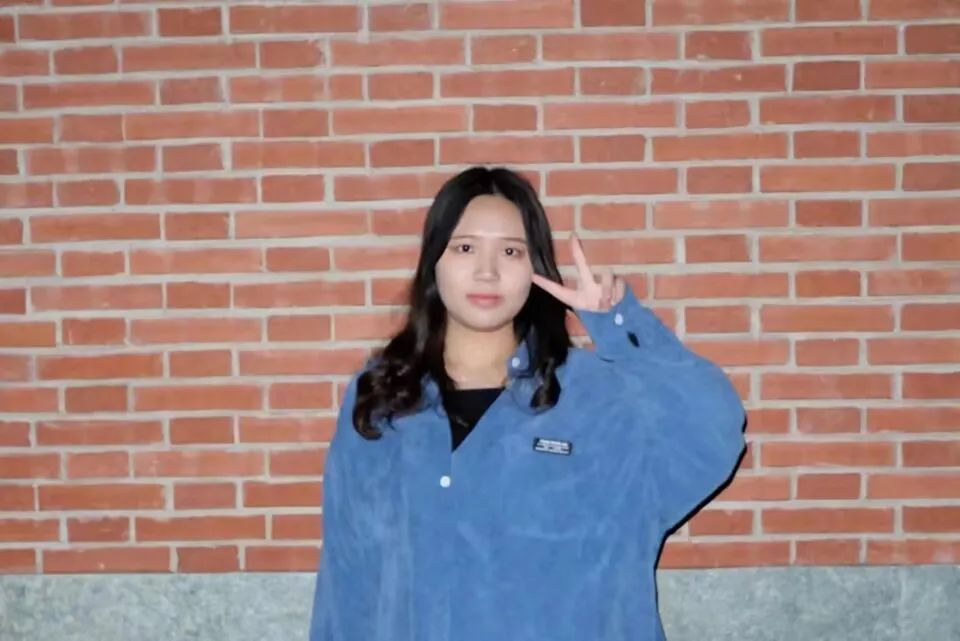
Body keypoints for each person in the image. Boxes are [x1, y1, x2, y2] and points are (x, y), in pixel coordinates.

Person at [308, 165, 746, 641]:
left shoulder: (597, 395)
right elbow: (347, 573)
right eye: (465, 247)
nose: (487, 271)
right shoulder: (384, 397)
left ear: (534, 266)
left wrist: (620, 327)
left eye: (511, 251)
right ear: (435, 261)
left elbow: (713, 434)